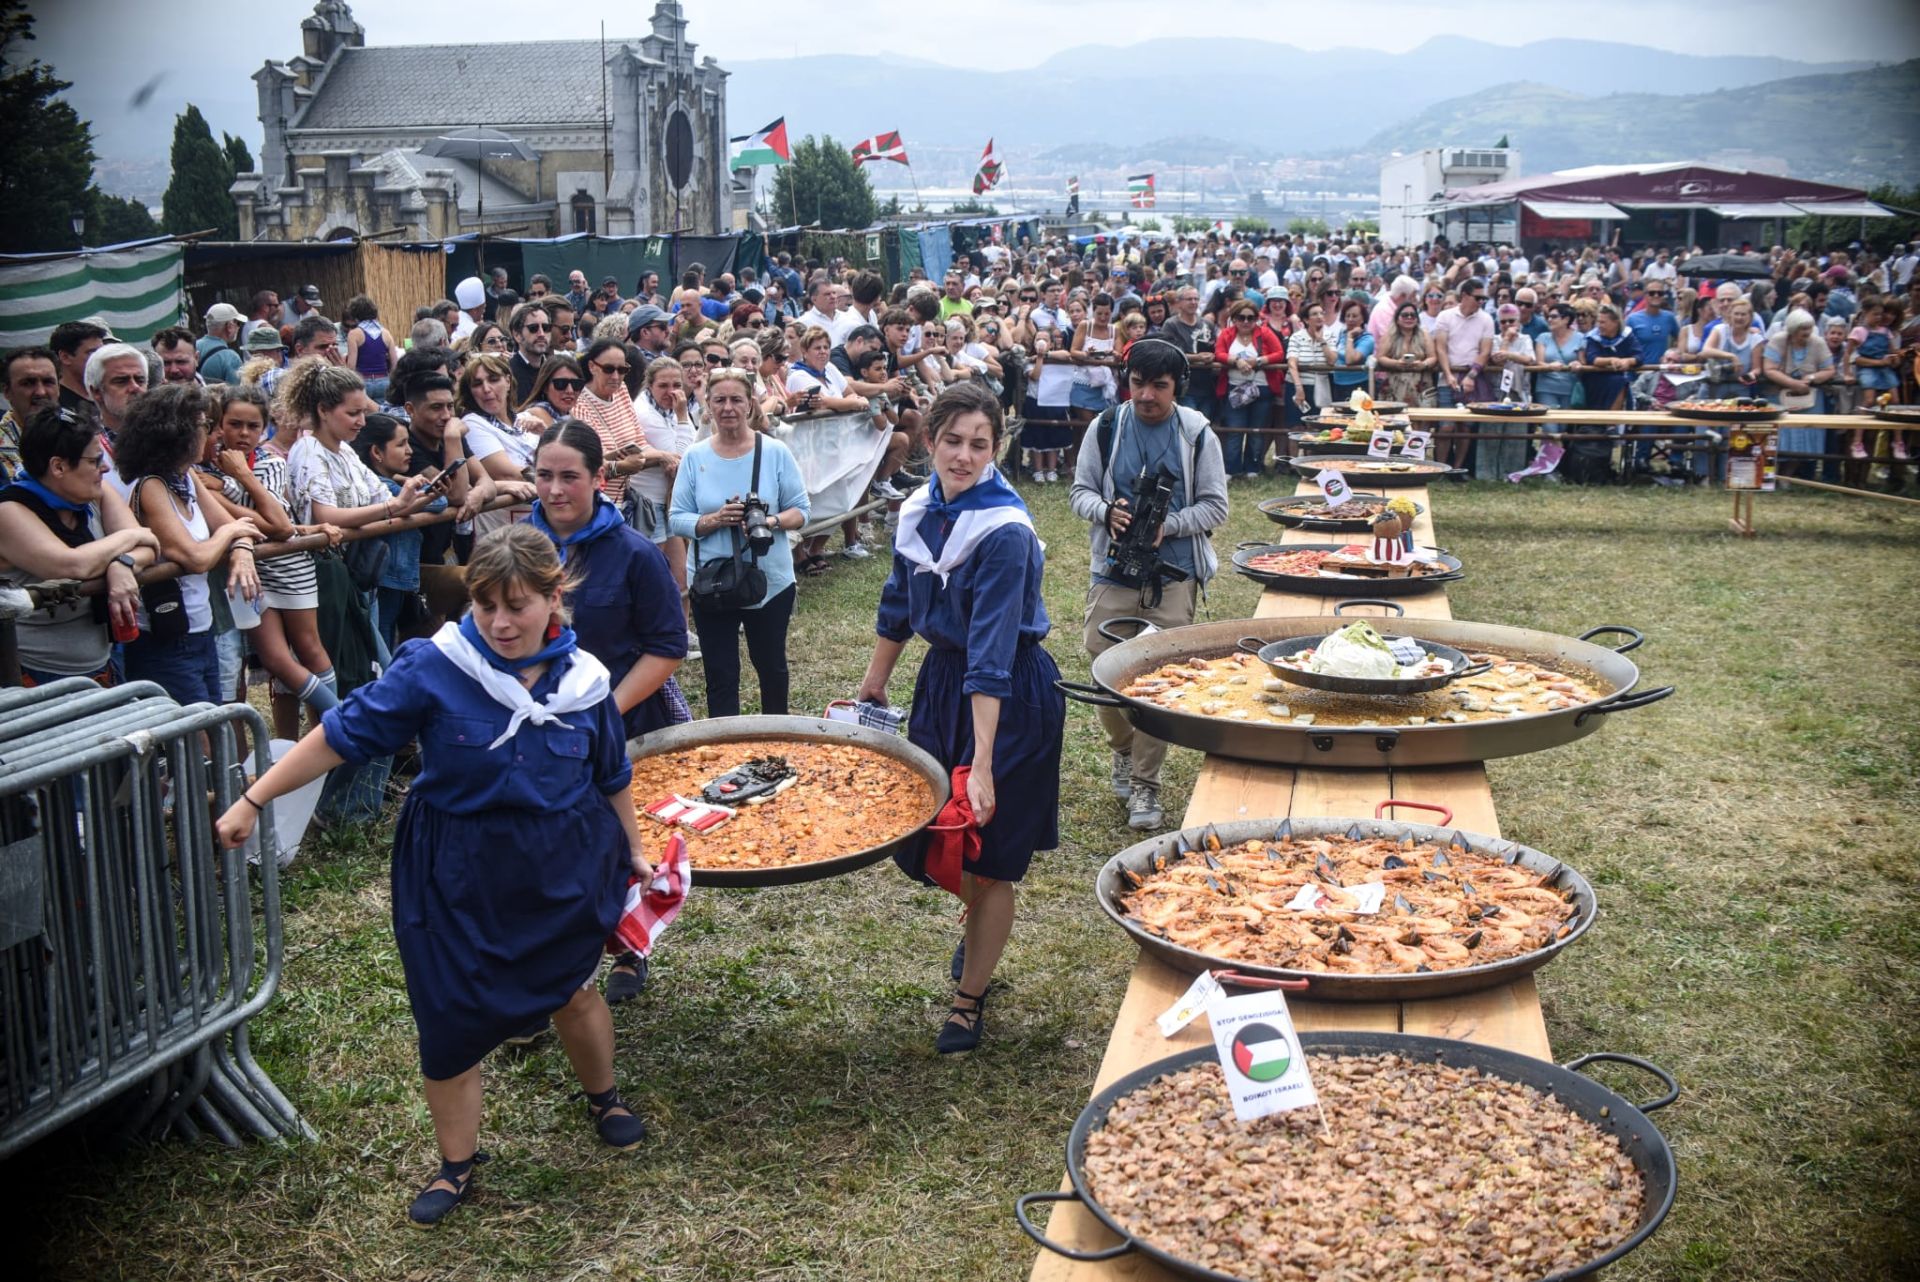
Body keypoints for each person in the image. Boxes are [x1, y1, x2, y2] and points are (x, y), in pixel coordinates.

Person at [215, 525, 652, 1227]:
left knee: (571, 987)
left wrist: (631, 848)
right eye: (485, 607)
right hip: (456, 868)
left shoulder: (586, 682)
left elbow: (610, 773)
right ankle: (457, 1164)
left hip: (559, 862)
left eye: (517, 606)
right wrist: (254, 796)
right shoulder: (435, 666)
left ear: (554, 597)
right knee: (448, 1016)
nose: (501, 624)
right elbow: (342, 733)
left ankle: (603, 1095)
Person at [856, 381, 1065, 1055]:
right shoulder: (921, 510)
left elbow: (993, 653)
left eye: (980, 444)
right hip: (944, 684)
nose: (964, 456)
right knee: (946, 840)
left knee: (991, 850)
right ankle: (977, 926)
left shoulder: (1004, 533)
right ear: (930, 439)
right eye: (953, 440)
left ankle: (969, 999)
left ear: (996, 447)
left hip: (1008, 696)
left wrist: (982, 762)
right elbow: (897, 601)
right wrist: (875, 680)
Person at [529, 420, 690, 1004]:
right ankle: (555, 963)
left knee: (619, 842)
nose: (554, 490)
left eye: (569, 476)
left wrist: (601, 711)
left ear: (600, 479)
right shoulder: (515, 552)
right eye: (543, 475)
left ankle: (627, 945)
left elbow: (668, 646)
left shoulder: (634, 555)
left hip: (619, 724)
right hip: (534, 731)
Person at [1069, 339, 1228, 831]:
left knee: (1158, 678)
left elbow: (1215, 507)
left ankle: (1145, 783)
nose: (1146, 396)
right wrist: (1107, 511)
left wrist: (1170, 524)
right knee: (1103, 665)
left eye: (1158, 386)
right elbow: (1079, 492)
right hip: (1114, 570)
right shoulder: (1106, 426)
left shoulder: (1197, 433)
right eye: (1137, 383)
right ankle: (1123, 749)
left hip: (1174, 574)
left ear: (1177, 386)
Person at [668, 368, 809, 717]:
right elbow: (676, 518)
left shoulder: (775, 452)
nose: (728, 407)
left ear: (750, 404)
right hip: (712, 582)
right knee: (720, 674)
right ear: (708, 405)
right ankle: (724, 748)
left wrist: (770, 521)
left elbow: (802, 510)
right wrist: (715, 520)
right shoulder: (695, 457)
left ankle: (776, 739)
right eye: (719, 400)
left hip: (770, 580)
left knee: (772, 668)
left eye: (736, 400)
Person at [203, 382, 343, 731]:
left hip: (288, 566)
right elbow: (263, 521)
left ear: (264, 427)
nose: (244, 433)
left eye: (253, 426)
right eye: (235, 424)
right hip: (250, 573)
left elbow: (278, 526)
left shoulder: (268, 462)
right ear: (219, 424)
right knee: (276, 661)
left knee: (308, 650)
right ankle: (295, 742)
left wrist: (237, 479)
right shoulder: (208, 466)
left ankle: (334, 727)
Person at [115, 384, 263, 704]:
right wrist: (230, 536)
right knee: (196, 742)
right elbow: (195, 557)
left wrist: (241, 551)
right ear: (176, 433)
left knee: (213, 726)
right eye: (204, 426)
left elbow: (239, 527)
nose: (213, 435)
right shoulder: (152, 485)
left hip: (201, 628)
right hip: (165, 638)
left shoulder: (186, 477)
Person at [0, 404, 157, 685]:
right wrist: (131, 537)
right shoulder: (9, 511)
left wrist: (122, 564)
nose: (105, 467)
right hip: (35, 676)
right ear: (58, 466)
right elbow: (72, 565)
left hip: (103, 663)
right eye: (94, 461)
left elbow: (149, 547)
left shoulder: (95, 491)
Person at [353, 413, 448, 653]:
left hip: (393, 578)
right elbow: (438, 502)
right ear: (377, 452)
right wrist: (412, 484)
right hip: (384, 579)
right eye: (400, 444)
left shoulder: (389, 482)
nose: (409, 451)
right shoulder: (382, 486)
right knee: (382, 641)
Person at [1214, 299, 1283, 479]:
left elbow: (1279, 353)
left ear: (1256, 319)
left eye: (1250, 318)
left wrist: (1258, 361)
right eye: (1241, 317)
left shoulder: (1265, 333)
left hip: (1262, 388)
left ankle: (1253, 467)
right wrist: (1236, 361)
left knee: (1257, 430)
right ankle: (1232, 468)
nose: (1246, 322)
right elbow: (1219, 353)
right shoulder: (1227, 334)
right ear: (1234, 319)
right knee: (1235, 429)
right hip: (1234, 388)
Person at [2, 346, 60, 483]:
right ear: (7, 392)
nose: (40, 392)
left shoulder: (81, 431)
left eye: (48, 382)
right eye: (28, 383)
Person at [1377, 301, 1436, 406]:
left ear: (1417, 319)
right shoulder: (1389, 336)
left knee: (1421, 419)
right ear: (1397, 319)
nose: (1409, 318)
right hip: (1395, 383)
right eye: (1405, 315)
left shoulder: (1424, 335)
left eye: (1413, 315)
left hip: (1420, 383)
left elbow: (1433, 357)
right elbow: (1381, 357)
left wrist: (1423, 364)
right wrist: (1396, 363)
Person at [342, 295, 394, 403]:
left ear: (355, 314)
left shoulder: (354, 334)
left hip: (363, 381)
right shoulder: (386, 333)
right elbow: (395, 363)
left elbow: (351, 366)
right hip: (384, 381)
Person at [505, 301, 552, 404]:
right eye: (533, 328)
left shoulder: (554, 370)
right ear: (517, 335)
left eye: (546, 328)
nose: (541, 334)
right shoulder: (506, 373)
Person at [197, 304, 245, 385]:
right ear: (229, 327)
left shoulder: (193, 346)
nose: (238, 327)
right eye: (238, 323)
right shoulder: (231, 358)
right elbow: (235, 394)